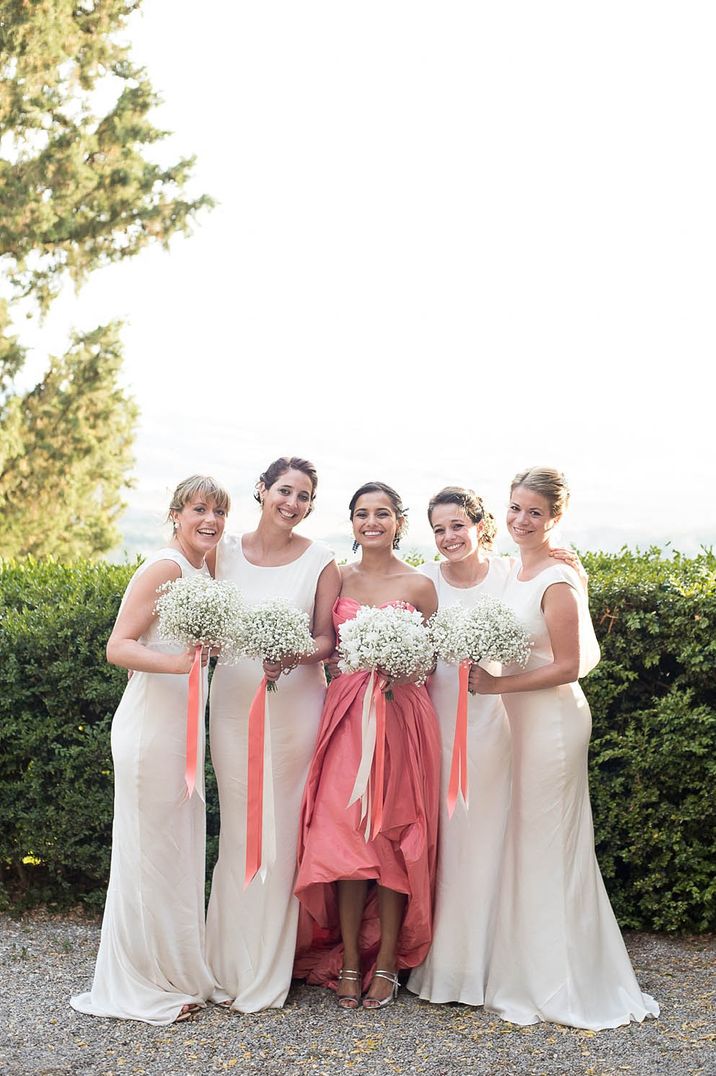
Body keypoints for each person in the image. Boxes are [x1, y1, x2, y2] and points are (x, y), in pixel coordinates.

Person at [473, 467, 659, 1029]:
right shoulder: (517, 569)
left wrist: (499, 685)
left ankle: (566, 980)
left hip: (552, 722)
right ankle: (528, 967)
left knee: (550, 843)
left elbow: (570, 665)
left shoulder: (557, 578)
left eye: (534, 512)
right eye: (514, 508)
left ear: (555, 517)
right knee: (526, 839)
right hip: (520, 722)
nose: (520, 520)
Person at [71, 475, 230, 1025]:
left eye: (218, 511)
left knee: (177, 850)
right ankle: (138, 982)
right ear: (176, 514)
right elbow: (119, 646)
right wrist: (183, 662)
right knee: (147, 855)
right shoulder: (165, 567)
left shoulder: (206, 569)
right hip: (149, 732)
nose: (209, 520)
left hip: (183, 731)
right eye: (199, 509)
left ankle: (175, 971)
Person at [294, 481, 441, 1009]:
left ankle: (387, 965)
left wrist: (401, 665)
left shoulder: (421, 585)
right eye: (361, 514)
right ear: (352, 522)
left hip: (403, 717)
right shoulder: (338, 575)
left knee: (396, 838)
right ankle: (350, 960)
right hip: (347, 717)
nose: (371, 522)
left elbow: (430, 662)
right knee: (344, 835)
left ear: (399, 520)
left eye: (382, 513)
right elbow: (325, 645)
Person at [205, 456, 341, 1013]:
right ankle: (223, 962)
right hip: (234, 700)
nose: (292, 502)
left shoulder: (322, 560)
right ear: (261, 491)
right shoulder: (223, 552)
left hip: (294, 705)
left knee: (281, 826)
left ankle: (267, 968)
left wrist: (293, 654)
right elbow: (195, 608)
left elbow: (327, 641)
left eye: (304, 496)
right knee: (239, 824)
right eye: (284, 490)